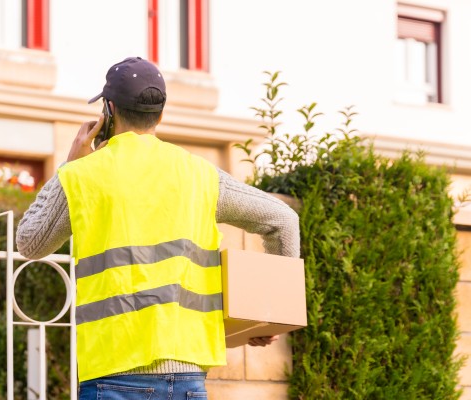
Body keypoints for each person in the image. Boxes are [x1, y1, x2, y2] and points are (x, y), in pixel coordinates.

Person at [16, 56, 300, 399]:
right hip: (187, 376)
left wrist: (68, 165)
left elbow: (30, 242)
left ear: (108, 110)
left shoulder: (83, 175)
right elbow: (283, 220)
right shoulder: (201, 175)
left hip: (113, 372)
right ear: (160, 115)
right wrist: (270, 315)